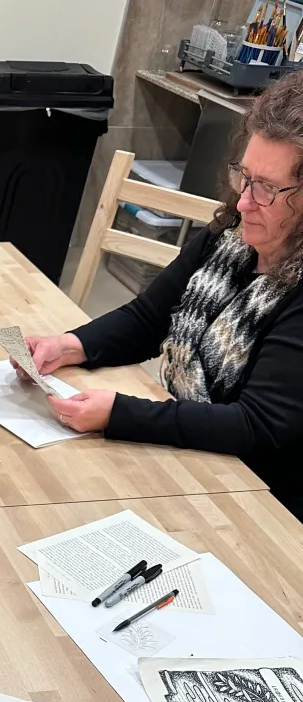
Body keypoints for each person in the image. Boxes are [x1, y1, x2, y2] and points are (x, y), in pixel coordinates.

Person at [16, 72, 303, 522]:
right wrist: (68, 345)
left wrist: (120, 414)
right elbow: (151, 318)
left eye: (268, 187)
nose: (245, 201)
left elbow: (257, 426)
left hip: (261, 504)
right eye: (244, 176)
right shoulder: (231, 236)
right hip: (196, 465)